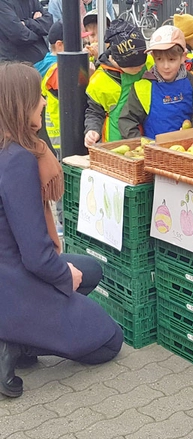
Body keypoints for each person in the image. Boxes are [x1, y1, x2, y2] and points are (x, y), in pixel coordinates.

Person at [0, 62, 123, 398]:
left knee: (91, 269)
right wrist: (61, 276)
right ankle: (13, 340)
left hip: (10, 269)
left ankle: (23, 335)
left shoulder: (10, 146)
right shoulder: (15, 159)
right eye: (37, 96)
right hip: (13, 280)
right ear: (19, 104)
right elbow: (36, 255)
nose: (43, 101)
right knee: (111, 341)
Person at [119, 25, 193, 140]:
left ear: (183, 57)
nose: (166, 66)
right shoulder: (142, 87)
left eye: (171, 59)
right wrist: (141, 144)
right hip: (154, 153)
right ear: (153, 57)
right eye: (159, 59)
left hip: (187, 151)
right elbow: (127, 120)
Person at [84, 20, 149, 147]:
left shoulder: (149, 64)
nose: (140, 68)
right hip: (114, 142)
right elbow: (94, 112)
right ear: (114, 59)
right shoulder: (100, 80)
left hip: (146, 136)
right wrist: (92, 130)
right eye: (133, 67)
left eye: (142, 64)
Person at [38, 21, 66, 156]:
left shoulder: (43, 64)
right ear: (60, 45)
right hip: (61, 131)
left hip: (49, 129)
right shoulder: (57, 70)